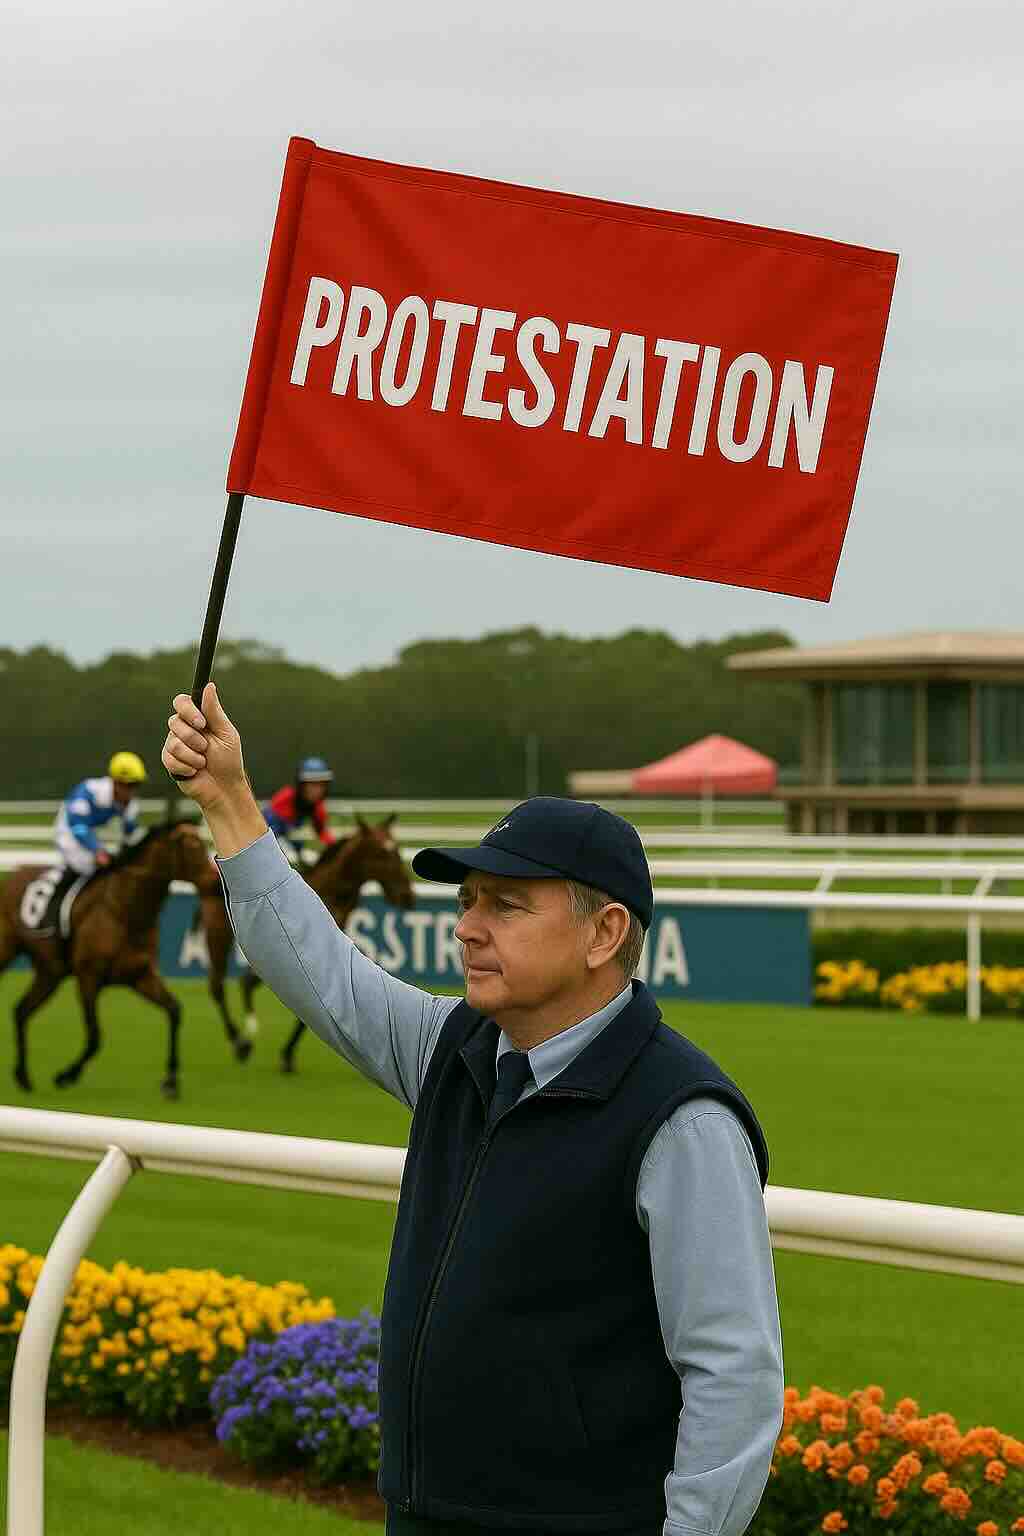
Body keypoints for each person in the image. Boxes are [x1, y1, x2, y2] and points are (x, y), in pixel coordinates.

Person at [162, 685, 784, 1536]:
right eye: (467, 901)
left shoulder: (684, 1119)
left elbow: (733, 1377)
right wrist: (228, 798)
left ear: (604, 934)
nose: (468, 928)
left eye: (506, 904)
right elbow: (323, 973)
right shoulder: (456, 1050)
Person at [54, 751, 147, 876]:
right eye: (127, 785)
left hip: (95, 834)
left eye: (136, 785)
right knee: (89, 868)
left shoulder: (131, 804)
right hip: (69, 833)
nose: (131, 791)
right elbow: (79, 828)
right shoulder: (86, 792)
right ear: (115, 781)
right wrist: (97, 850)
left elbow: (130, 834)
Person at [262, 756, 337, 862]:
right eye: (312, 784)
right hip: (270, 838)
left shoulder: (317, 806)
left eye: (321, 785)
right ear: (301, 785)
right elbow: (269, 832)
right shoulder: (285, 798)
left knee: (309, 858)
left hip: (289, 839)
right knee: (291, 857)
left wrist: (336, 848)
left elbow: (322, 832)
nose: (317, 790)